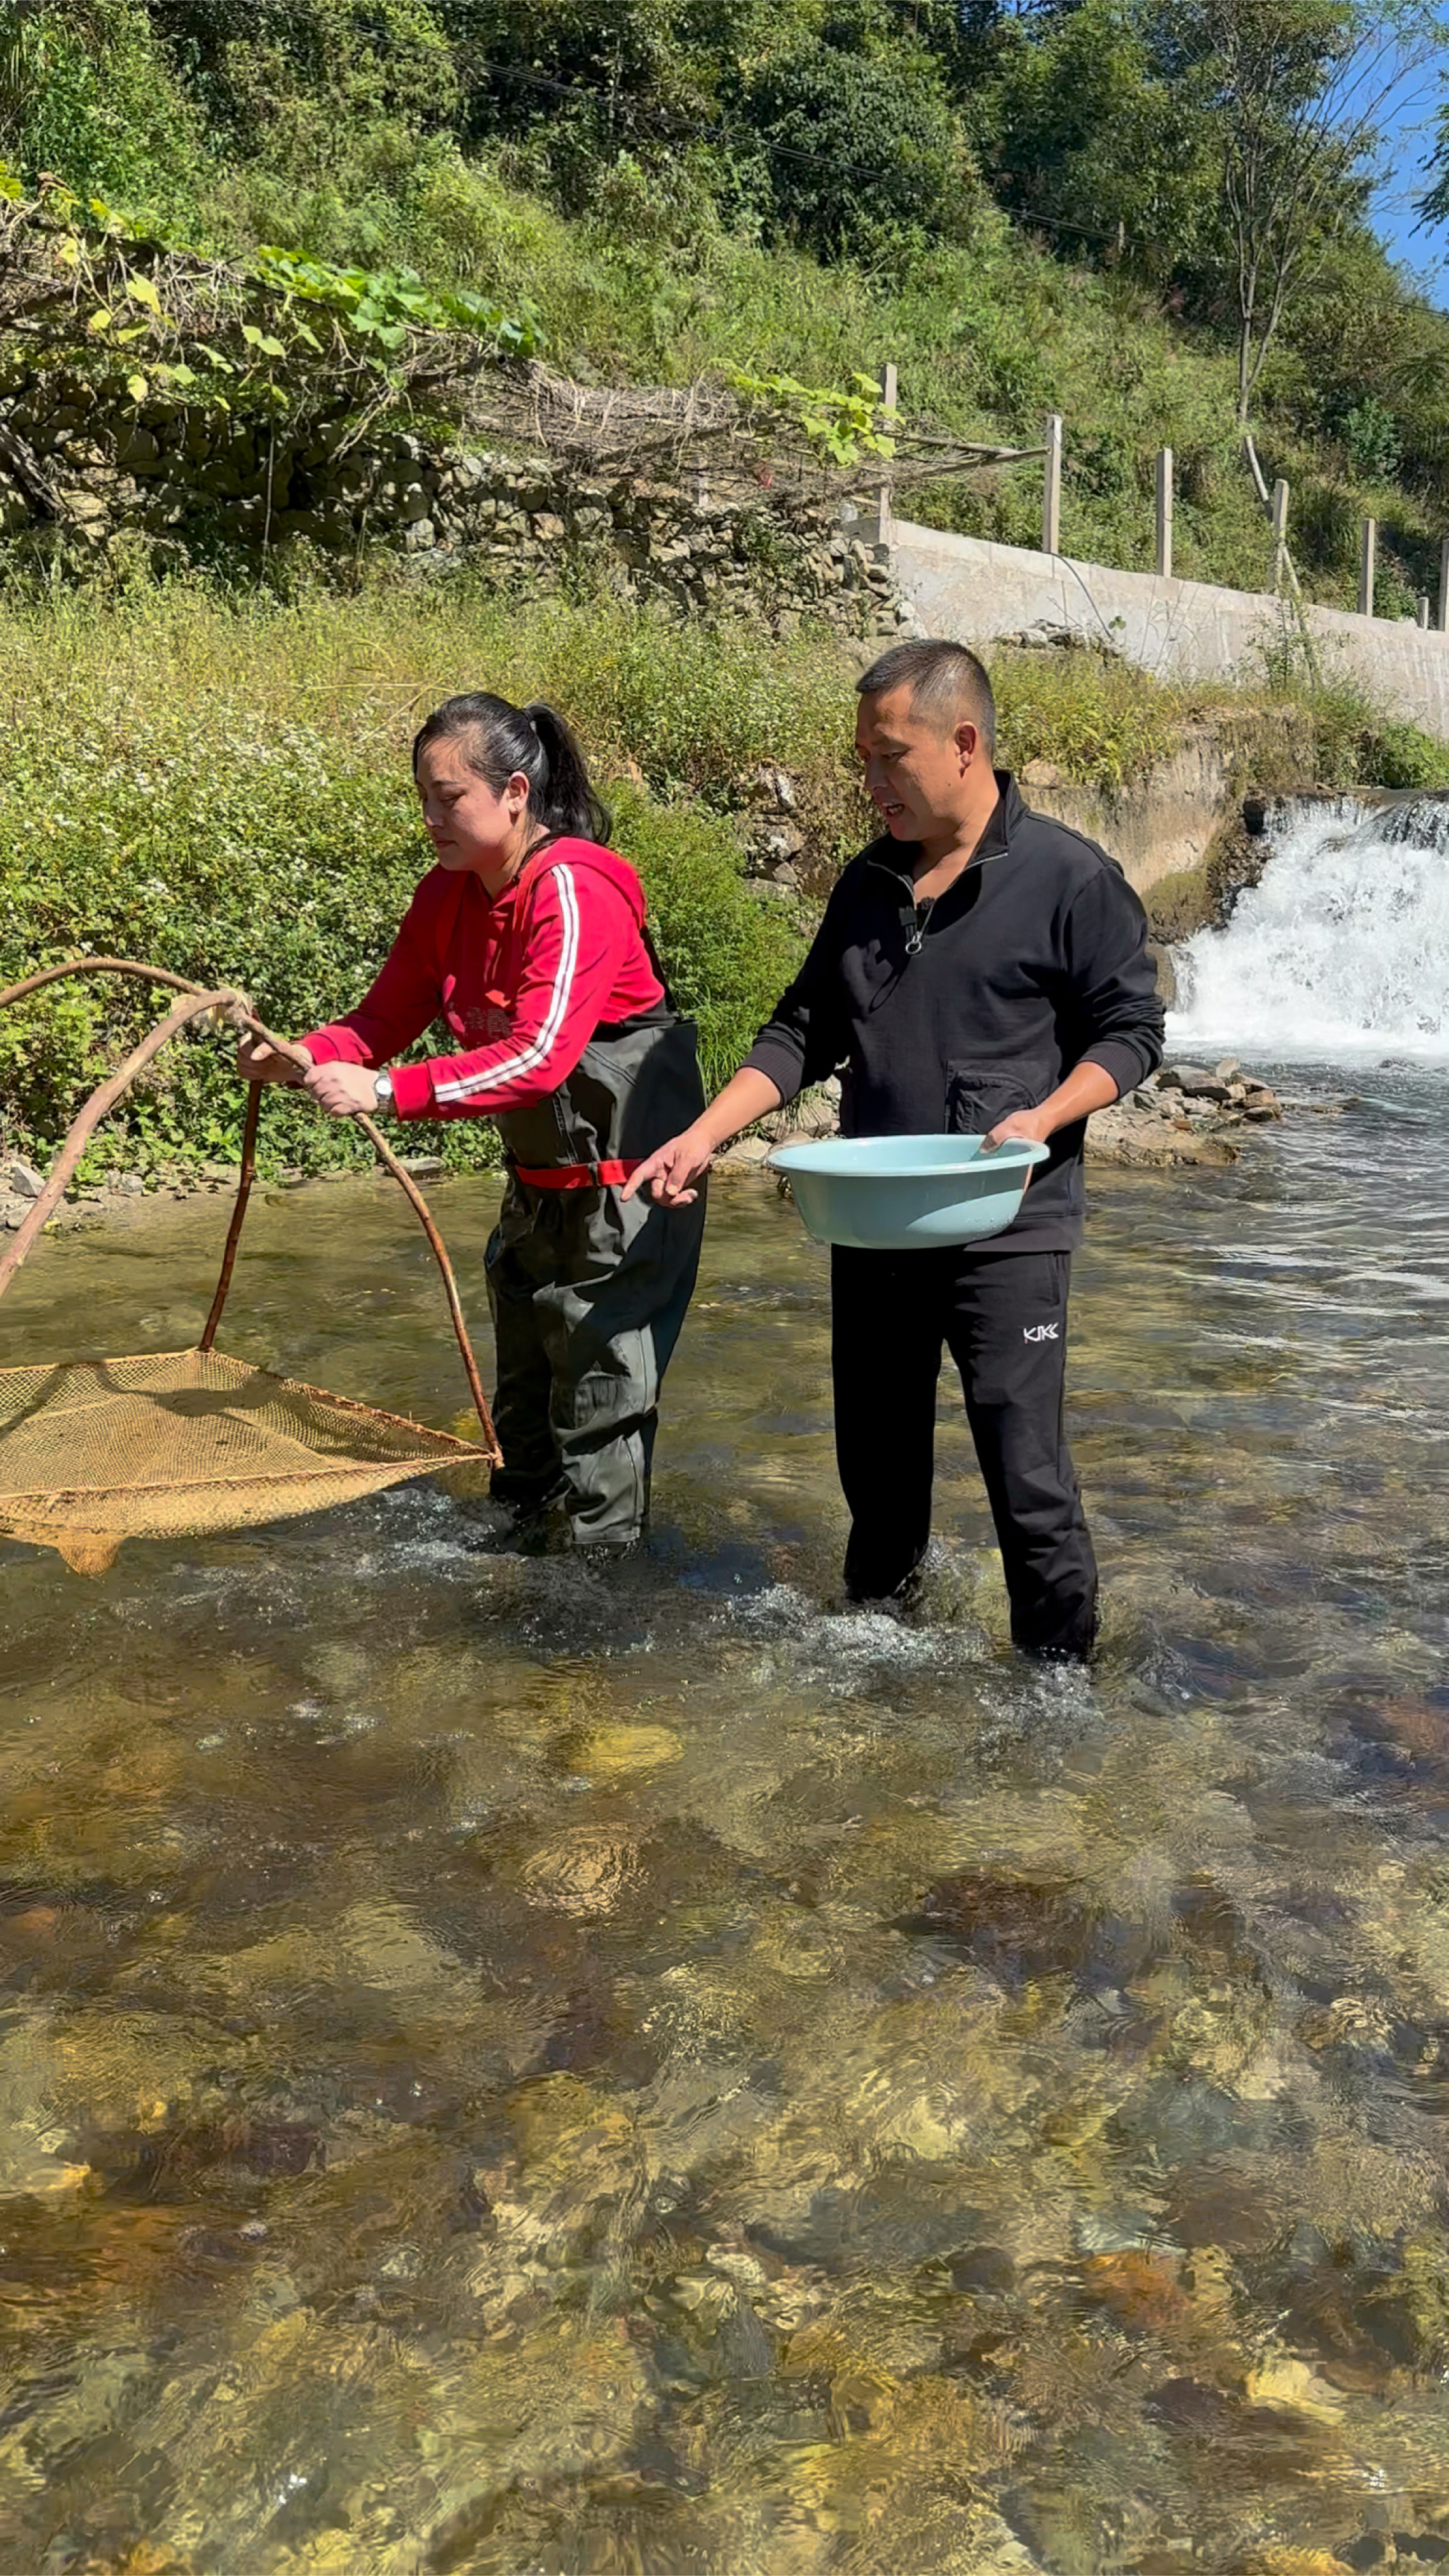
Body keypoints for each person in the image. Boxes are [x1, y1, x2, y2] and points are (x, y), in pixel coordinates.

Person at [625, 639, 1164, 1658]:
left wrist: (1044, 1120)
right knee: (876, 1478)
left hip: (1008, 1226)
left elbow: (1130, 1033)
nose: (870, 782)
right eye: (862, 761)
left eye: (888, 758)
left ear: (965, 744)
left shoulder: (1067, 879)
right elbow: (801, 1031)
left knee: (1028, 1477)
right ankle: (879, 1667)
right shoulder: (867, 883)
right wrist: (700, 1135)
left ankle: (1059, 1685)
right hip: (873, 1227)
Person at [239, 692, 706, 1556]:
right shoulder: (446, 897)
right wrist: (299, 1054)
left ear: (516, 794)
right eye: (422, 797)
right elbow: (380, 1021)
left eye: (449, 797)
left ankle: (587, 1646)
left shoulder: (574, 888)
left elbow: (540, 1058)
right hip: (536, 1196)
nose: (430, 818)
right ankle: (517, 1601)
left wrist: (382, 1093)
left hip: (631, 1205)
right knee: (522, 1436)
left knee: (599, 1430)